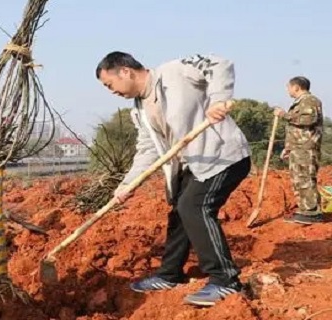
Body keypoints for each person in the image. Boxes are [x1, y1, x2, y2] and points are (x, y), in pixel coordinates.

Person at [95, 51, 252, 306]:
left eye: (109, 84)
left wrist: (218, 100)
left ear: (125, 71)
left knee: (194, 206)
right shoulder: (140, 110)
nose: (111, 91)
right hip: (195, 165)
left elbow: (219, 64)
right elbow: (147, 149)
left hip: (223, 156)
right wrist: (127, 184)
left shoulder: (174, 71)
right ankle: (169, 275)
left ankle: (226, 281)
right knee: (180, 212)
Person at [274, 76, 324, 224]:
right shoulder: (300, 103)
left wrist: (284, 115)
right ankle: (305, 210)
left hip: (306, 148)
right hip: (298, 148)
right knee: (298, 179)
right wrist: (288, 148)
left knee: (305, 178)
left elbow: (308, 120)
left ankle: (312, 212)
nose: (288, 90)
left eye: (289, 87)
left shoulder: (310, 100)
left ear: (296, 87)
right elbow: (295, 130)